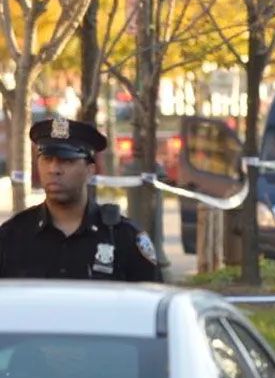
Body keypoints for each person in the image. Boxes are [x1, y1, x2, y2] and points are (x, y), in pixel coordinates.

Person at [0, 116, 162, 282]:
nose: (54, 169)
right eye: (47, 159)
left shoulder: (123, 238)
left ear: (90, 170)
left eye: (67, 161)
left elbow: (149, 299)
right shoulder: (13, 236)